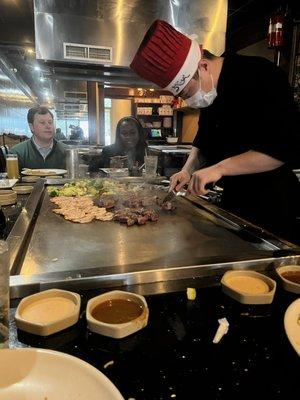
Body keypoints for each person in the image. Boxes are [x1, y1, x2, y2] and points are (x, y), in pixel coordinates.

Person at [130, 19, 300, 242]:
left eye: (185, 92)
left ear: (204, 66)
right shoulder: (210, 93)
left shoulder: (262, 75)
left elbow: (282, 149)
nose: (188, 101)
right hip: (234, 205)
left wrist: (219, 169)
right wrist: (187, 170)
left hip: (274, 206)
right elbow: (204, 140)